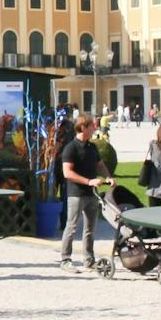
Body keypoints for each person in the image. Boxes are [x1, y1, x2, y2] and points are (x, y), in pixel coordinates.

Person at [58, 113, 111, 272]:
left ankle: (89, 260)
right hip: (76, 194)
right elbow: (67, 173)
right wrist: (88, 181)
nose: (95, 128)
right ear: (83, 127)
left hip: (91, 194)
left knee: (90, 228)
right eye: (92, 126)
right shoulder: (70, 148)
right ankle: (65, 259)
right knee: (72, 226)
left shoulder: (92, 147)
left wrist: (108, 177)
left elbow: (100, 165)